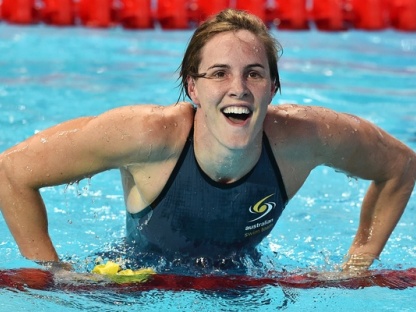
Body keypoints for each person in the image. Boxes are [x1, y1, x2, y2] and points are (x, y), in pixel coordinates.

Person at [0, 9, 415, 273]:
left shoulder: (304, 138)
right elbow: (12, 171)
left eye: (254, 73)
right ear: (193, 88)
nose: (239, 88)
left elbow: (401, 166)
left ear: (273, 86)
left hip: (242, 278)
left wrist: (357, 266)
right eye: (219, 73)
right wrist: (50, 272)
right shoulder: (147, 136)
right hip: (138, 275)